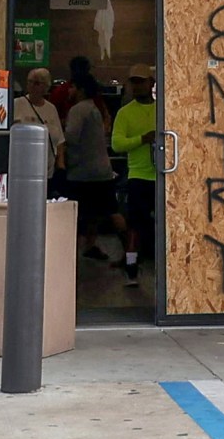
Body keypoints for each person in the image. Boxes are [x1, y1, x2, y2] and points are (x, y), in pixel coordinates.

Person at [107, 67, 159, 288]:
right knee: (135, 226)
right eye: (134, 82)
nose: (137, 86)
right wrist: (142, 139)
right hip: (138, 175)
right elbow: (116, 144)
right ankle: (131, 267)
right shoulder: (125, 113)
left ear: (151, 83)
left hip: (164, 175)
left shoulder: (164, 108)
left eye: (141, 82)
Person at [59, 73, 117, 256]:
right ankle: (126, 253)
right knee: (104, 212)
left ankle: (69, 252)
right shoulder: (94, 109)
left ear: (81, 90)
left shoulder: (78, 110)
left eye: (72, 87)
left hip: (82, 172)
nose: (69, 90)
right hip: (102, 170)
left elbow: (71, 138)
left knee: (77, 214)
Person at [10, 68, 65, 185]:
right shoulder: (17, 104)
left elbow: (59, 140)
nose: (32, 86)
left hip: (47, 173)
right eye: (29, 82)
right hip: (23, 170)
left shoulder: (51, 109)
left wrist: (61, 166)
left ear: (46, 87)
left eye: (37, 83)